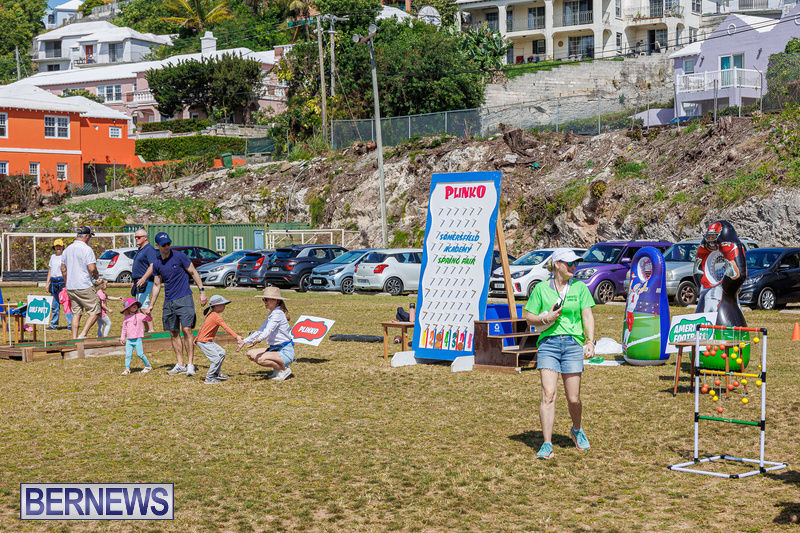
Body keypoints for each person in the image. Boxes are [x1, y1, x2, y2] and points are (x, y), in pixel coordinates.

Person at [524, 248, 596, 460]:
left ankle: (576, 429)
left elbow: (587, 316)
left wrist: (590, 341)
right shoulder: (541, 289)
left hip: (572, 345)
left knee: (573, 399)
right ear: (557, 264)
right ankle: (547, 444)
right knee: (548, 395)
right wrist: (546, 319)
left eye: (575, 263)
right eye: (569, 263)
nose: (574, 266)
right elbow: (529, 317)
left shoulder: (580, 288)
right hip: (549, 345)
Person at [143, 232, 208, 377]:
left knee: (187, 329)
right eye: (163, 245)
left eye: (168, 244)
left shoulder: (180, 257)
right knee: (173, 332)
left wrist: (202, 291)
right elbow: (157, 284)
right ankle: (180, 364)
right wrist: (151, 305)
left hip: (184, 298)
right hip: (169, 301)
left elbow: (193, 272)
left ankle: (190, 364)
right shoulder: (157, 263)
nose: (167, 246)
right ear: (157, 245)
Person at [237, 287, 295, 381]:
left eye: (266, 299)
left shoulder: (278, 314)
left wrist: (259, 339)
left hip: (285, 351)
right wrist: (245, 341)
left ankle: (283, 369)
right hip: (275, 349)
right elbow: (261, 330)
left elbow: (268, 330)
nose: (264, 302)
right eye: (263, 299)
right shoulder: (272, 314)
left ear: (275, 300)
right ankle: (277, 369)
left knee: (260, 359)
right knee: (250, 354)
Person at [61, 226, 101, 339]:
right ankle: (82, 335)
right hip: (84, 285)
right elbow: (92, 268)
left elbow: (63, 269)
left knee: (76, 313)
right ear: (86, 236)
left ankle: (74, 338)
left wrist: (67, 282)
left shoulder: (67, 249)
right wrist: (96, 273)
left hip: (71, 286)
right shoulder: (87, 249)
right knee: (95, 310)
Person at [195, 295, 243, 385]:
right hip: (204, 342)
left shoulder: (212, 314)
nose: (224, 306)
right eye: (223, 305)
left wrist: (196, 338)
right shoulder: (216, 316)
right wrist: (236, 336)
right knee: (216, 358)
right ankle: (209, 378)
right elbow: (226, 328)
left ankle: (216, 373)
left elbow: (202, 328)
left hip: (207, 341)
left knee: (222, 353)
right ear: (216, 306)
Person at [131, 229, 159, 333]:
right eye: (135, 237)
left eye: (138, 237)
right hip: (138, 281)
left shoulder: (149, 249)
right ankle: (146, 330)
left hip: (146, 282)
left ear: (145, 238)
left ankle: (151, 330)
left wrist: (143, 278)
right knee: (140, 306)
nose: (136, 239)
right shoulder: (140, 249)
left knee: (144, 306)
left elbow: (152, 266)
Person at [119, 298, 152, 375]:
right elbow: (124, 328)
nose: (135, 306)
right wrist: (122, 337)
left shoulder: (140, 315)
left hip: (137, 339)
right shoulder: (126, 318)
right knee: (128, 355)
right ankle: (127, 369)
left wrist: (149, 314)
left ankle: (148, 366)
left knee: (140, 354)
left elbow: (148, 319)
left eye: (135, 305)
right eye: (132, 305)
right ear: (128, 308)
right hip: (129, 340)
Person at [45, 239, 66, 330]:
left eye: (60, 246)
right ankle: (54, 324)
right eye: (56, 246)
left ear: (62, 247)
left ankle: (71, 324)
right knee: (54, 305)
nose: (58, 248)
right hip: (53, 282)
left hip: (62, 281)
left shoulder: (65, 256)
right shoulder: (52, 257)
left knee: (66, 304)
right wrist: (47, 283)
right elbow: (50, 271)